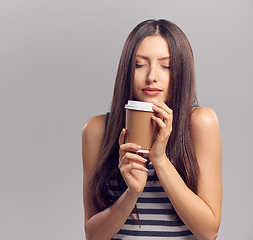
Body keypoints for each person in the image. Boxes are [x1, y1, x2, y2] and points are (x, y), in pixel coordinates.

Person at [82, 19, 222, 240]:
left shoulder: (200, 122)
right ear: (127, 69)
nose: (151, 76)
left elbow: (209, 232)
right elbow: (93, 235)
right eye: (140, 64)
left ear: (181, 71)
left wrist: (160, 160)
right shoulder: (98, 129)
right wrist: (131, 194)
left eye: (166, 66)